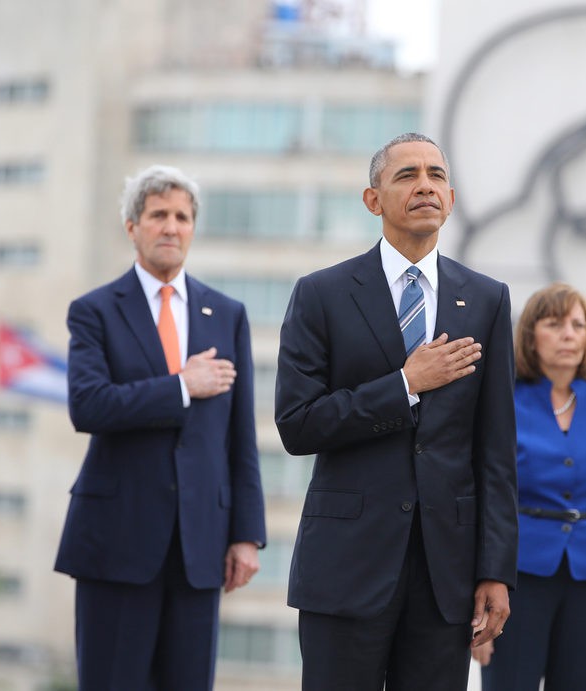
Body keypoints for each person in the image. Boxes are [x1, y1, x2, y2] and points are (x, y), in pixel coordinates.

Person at [275, 132, 518, 691]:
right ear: (373, 199)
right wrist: (405, 384)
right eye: (406, 175)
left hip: (445, 574)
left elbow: (497, 450)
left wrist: (495, 569)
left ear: (452, 200)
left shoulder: (486, 299)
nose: (425, 186)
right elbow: (297, 423)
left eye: (436, 175)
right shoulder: (322, 293)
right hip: (346, 566)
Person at [54, 165, 266, 690]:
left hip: (201, 545)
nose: (171, 227)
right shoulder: (95, 311)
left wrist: (246, 535)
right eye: (158, 215)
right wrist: (180, 386)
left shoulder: (229, 314)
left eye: (182, 217)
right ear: (133, 227)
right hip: (116, 540)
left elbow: (241, 437)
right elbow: (88, 406)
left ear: (192, 227)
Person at [474, 283, 586, 690]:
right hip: (516, 577)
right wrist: (475, 596)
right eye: (554, 324)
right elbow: (482, 498)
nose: (569, 334)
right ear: (530, 337)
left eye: (578, 324)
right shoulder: (500, 400)